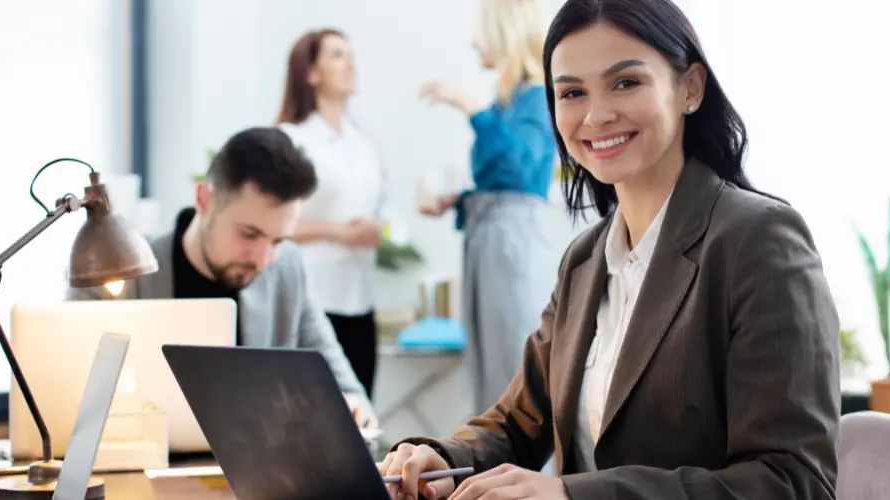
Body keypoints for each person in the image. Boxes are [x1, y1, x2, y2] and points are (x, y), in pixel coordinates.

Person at [379, 0, 840, 498]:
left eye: (626, 82)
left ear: (690, 88)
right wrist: (441, 460)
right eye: (572, 92)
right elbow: (520, 421)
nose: (596, 116)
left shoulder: (760, 241)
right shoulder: (584, 259)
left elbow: (793, 481)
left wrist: (573, 495)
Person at [67, 127, 378, 429]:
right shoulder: (117, 270)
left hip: (259, 475)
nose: (262, 259)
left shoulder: (286, 270)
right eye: (249, 233)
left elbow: (346, 386)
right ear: (204, 199)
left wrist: (351, 406)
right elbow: (70, 394)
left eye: (278, 240)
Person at [417, 0, 559, 414]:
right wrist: (457, 201)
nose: (475, 42)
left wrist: (470, 108)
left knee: (512, 366)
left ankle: (523, 475)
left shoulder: (534, 96)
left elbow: (522, 168)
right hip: (491, 240)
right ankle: (493, 471)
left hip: (511, 244)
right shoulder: (507, 102)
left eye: (482, 31)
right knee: (490, 367)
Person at [276, 28, 386, 400]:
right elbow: (273, 224)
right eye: (337, 55)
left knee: (361, 417)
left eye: (351, 54)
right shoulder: (292, 139)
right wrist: (339, 233)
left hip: (361, 302)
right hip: (315, 299)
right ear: (311, 73)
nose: (350, 63)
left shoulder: (363, 142)